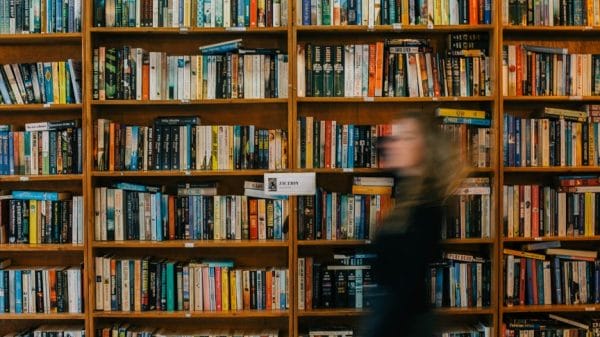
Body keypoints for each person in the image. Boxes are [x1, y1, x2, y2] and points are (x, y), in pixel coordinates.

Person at [362, 114, 466, 337]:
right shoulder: (408, 187)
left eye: (406, 138)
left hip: (403, 322)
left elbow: (406, 284)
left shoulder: (428, 205)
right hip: (392, 316)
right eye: (394, 137)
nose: (393, 144)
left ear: (425, 148)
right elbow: (381, 147)